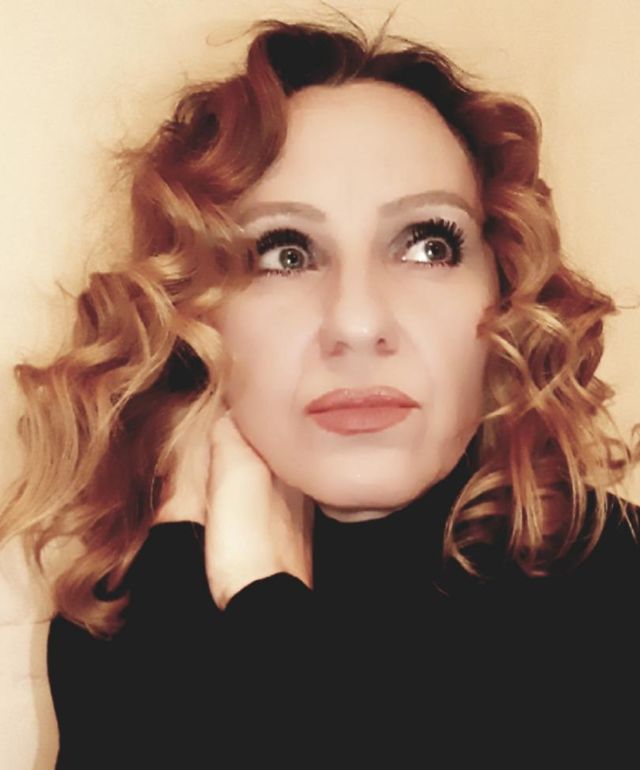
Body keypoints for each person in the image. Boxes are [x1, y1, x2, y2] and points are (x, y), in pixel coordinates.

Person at [1, 10, 639, 769]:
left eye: (428, 245)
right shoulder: (120, 610)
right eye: (285, 253)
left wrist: (267, 613)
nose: (358, 323)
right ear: (196, 317)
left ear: (502, 293)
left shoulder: (617, 589)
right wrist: (175, 582)